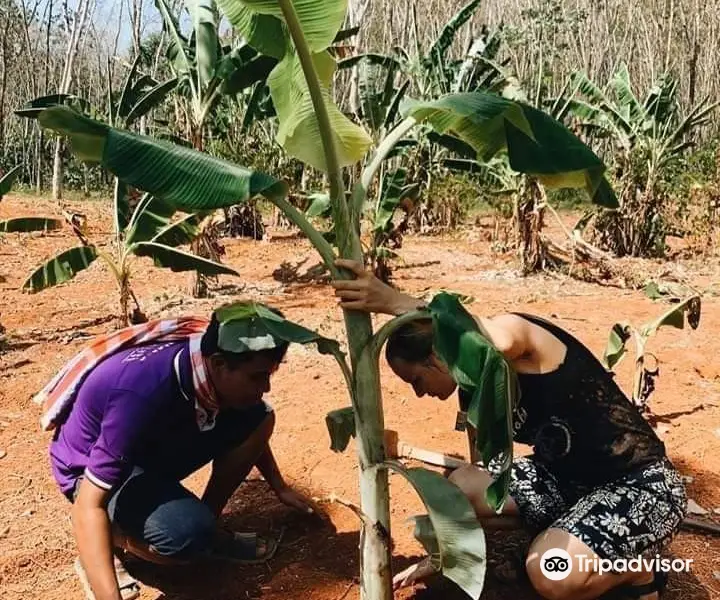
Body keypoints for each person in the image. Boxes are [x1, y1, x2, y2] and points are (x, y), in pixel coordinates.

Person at [332, 259, 687, 600]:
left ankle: (640, 568)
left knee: (551, 572)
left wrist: (398, 303)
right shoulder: (472, 387)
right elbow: (481, 472)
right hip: (566, 482)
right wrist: (441, 554)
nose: (419, 392)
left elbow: (496, 341)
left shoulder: (517, 335)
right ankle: (570, 533)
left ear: (436, 356)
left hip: (639, 484)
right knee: (464, 489)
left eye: (416, 379)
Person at [40, 303, 316, 600]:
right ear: (221, 364)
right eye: (257, 377)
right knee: (183, 537)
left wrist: (279, 486)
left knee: (260, 416)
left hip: (146, 447)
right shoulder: (140, 394)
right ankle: (106, 544)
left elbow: (250, 427)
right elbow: (88, 506)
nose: (266, 386)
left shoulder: (205, 365)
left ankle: (209, 531)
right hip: (88, 470)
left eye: (270, 374)